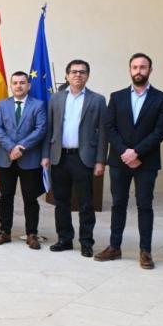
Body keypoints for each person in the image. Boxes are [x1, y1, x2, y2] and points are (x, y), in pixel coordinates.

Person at [100, 53, 163, 269]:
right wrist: (125, 152)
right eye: (135, 67)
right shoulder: (117, 96)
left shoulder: (162, 98)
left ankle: (145, 251)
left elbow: (160, 131)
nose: (138, 71)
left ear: (150, 69)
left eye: (143, 67)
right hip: (119, 160)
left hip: (146, 163)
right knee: (118, 204)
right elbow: (109, 127)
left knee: (144, 205)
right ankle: (114, 247)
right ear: (129, 70)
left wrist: (137, 153)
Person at [41, 59, 107, 258]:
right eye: (74, 72)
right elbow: (49, 129)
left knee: (86, 203)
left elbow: (103, 132)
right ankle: (65, 239)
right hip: (59, 157)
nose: (78, 75)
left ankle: (86, 242)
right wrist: (45, 155)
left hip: (83, 158)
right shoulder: (56, 99)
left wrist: (100, 160)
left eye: (82, 72)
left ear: (87, 75)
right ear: (67, 75)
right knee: (61, 201)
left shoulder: (97, 100)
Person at [0, 71, 48, 249]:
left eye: (22, 83)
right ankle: (4, 232)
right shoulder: (2, 104)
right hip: (5, 158)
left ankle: (32, 233)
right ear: (11, 85)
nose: (18, 86)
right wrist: (10, 147)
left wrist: (20, 146)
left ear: (28, 85)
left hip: (29, 158)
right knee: (5, 197)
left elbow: (41, 129)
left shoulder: (38, 105)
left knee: (30, 198)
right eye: (15, 83)